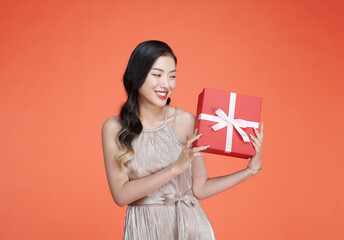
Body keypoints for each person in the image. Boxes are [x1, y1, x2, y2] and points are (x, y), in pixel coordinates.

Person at [101, 40, 264, 240]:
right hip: (145, 229)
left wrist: (250, 170)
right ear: (137, 76)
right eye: (157, 75)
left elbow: (200, 188)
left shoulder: (186, 121)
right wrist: (175, 168)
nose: (167, 84)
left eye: (172, 76)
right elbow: (121, 195)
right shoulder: (114, 127)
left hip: (190, 227)